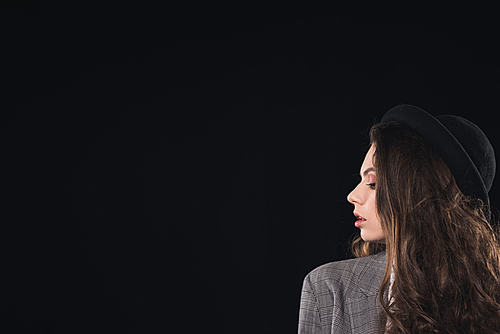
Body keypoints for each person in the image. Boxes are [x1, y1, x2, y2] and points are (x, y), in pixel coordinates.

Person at [297, 105, 500, 333]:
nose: (352, 196)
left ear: (416, 192)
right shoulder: (329, 289)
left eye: (372, 183)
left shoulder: (489, 298)